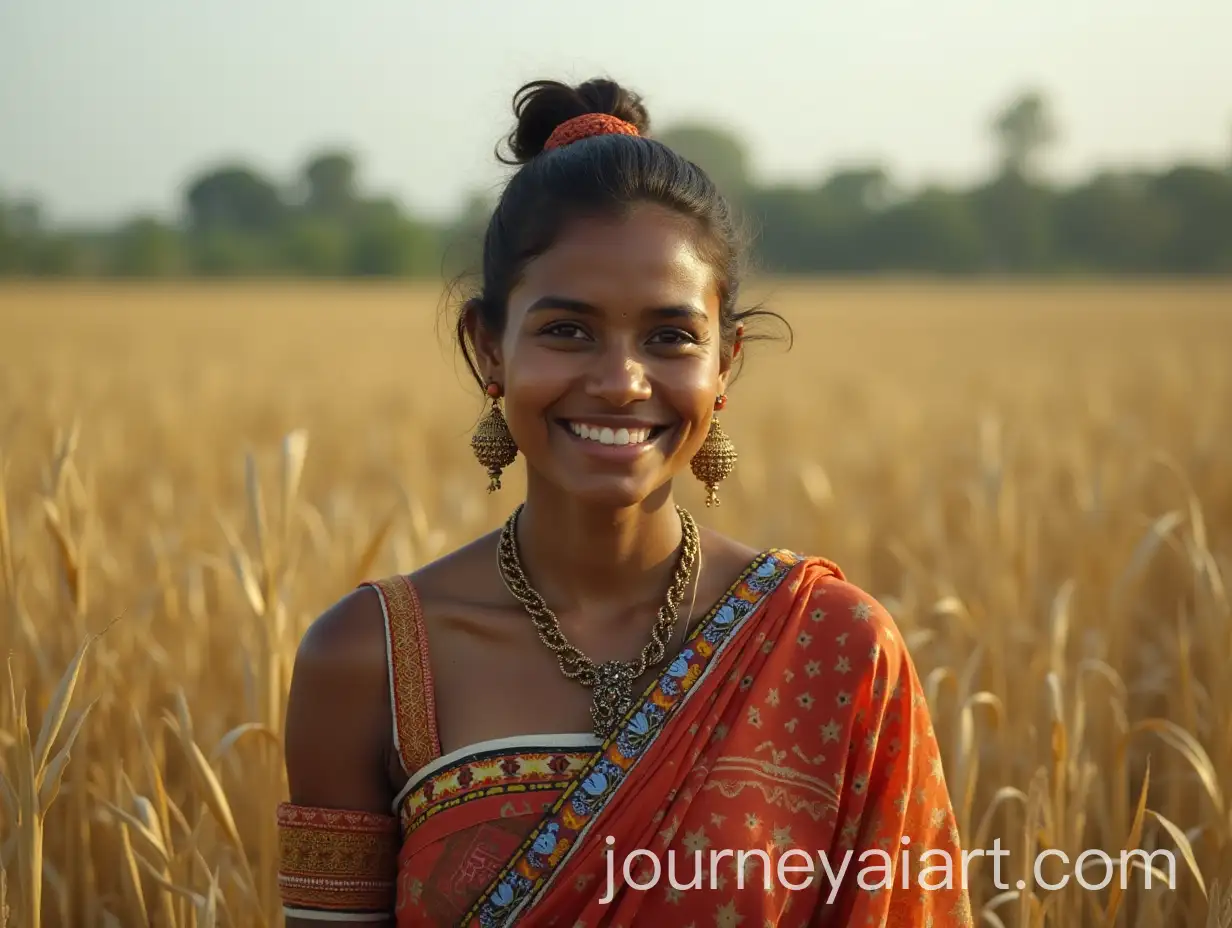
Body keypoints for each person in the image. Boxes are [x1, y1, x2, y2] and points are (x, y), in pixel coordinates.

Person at [276, 76, 973, 928]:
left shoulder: (834, 646)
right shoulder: (368, 661)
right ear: (487, 349)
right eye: (566, 331)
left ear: (727, 366)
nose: (619, 382)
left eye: (670, 337)